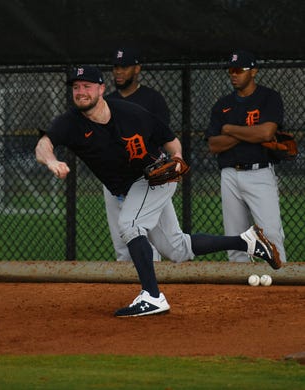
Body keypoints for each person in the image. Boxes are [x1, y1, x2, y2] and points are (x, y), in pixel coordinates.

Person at [35, 65, 281, 317]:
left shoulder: (130, 113)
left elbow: (169, 138)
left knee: (130, 225)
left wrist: (177, 157)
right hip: (124, 188)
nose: (80, 92)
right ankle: (246, 241)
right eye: (76, 87)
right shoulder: (69, 122)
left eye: (87, 86)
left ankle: (153, 296)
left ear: (101, 89)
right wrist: (51, 161)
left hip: (153, 177)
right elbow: (44, 144)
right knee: (177, 249)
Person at [205, 50, 286, 263]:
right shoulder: (221, 105)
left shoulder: (269, 97)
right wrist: (250, 134)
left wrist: (230, 129)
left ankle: (280, 286)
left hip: (259, 172)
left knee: (271, 233)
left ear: (253, 71)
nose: (234, 74)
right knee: (235, 238)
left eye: (239, 70)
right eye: (231, 70)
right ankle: (239, 291)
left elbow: (266, 133)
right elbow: (214, 145)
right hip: (229, 174)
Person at [105, 47, 170, 262]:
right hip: (114, 178)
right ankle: (128, 292)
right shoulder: (106, 102)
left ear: (137, 69)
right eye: (116, 67)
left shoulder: (153, 100)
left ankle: (152, 289)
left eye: (124, 67)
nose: (119, 72)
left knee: (155, 240)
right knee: (122, 245)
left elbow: (160, 140)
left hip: (147, 177)